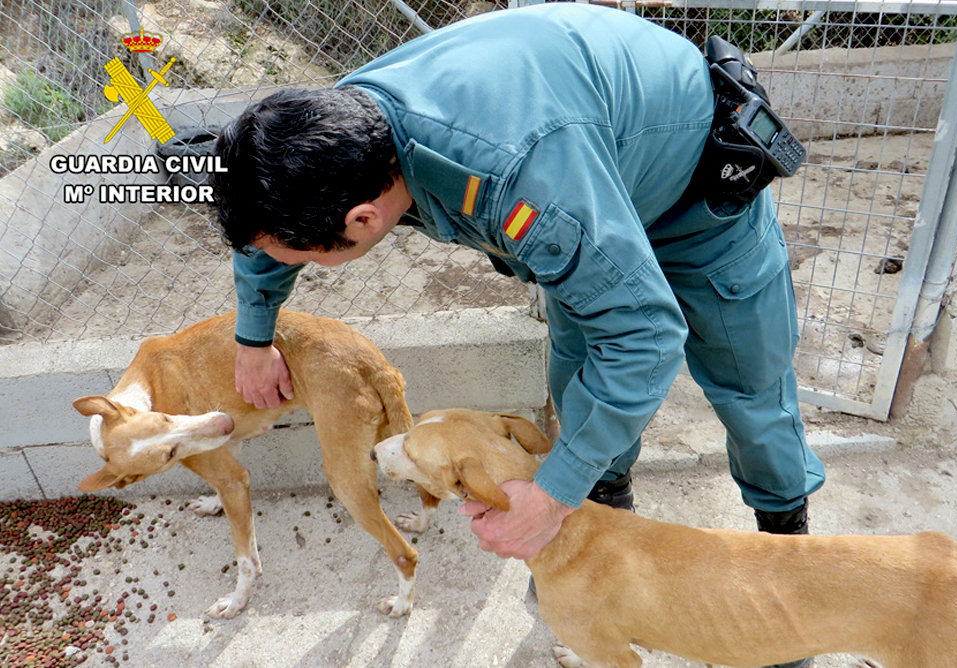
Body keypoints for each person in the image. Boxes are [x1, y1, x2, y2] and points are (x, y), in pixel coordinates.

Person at [212, 5, 824, 665]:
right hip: (587, 176)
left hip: (693, 204)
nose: (288, 263)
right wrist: (256, 335)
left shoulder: (518, 181)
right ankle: (600, 575)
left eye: (302, 259)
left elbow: (645, 336)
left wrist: (552, 494)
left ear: (362, 220)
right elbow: (262, 226)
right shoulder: (334, 138)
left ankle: (795, 599)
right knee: (585, 395)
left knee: (753, 398)